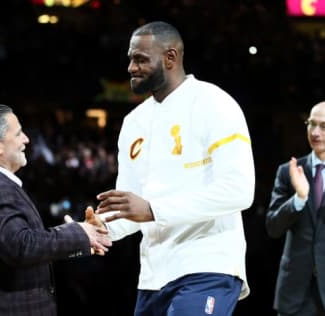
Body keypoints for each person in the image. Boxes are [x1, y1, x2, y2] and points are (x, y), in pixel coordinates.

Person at [93, 21, 255, 316]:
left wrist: (153, 209)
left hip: (208, 263)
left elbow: (240, 190)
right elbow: (132, 210)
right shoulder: (133, 123)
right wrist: (101, 227)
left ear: (170, 58)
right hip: (153, 274)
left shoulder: (215, 103)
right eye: (130, 58)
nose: (131, 67)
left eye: (141, 59)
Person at [0, 104, 112, 315]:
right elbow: (22, 246)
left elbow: (20, 246)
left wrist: (82, 237)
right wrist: (77, 233)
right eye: (18, 134)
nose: (26, 139)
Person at [266, 101, 325, 316]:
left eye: (324, 126)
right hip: (295, 293)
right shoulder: (288, 172)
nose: (316, 132)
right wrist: (298, 199)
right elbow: (272, 227)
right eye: (311, 124)